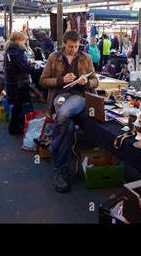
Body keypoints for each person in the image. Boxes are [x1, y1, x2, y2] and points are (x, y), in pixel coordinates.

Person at [40, 31, 98, 193]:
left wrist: (86, 82)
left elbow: (96, 81)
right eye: (71, 46)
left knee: (64, 114)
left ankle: (53, 147)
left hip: (79, 96)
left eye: (76, 46)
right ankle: (61, 170)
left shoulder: (85, 57)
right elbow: (42, 81)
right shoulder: (54, 57)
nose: (74, 49)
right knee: (69, 127)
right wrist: (61, 80)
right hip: (59, 96)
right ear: (64, 44)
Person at [3, 32, 41, 135]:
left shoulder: (10, 51)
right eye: (24, 40)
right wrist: (37, 70)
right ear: (18, 40)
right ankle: (15, 127)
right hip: (18, 83)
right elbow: (24, 67)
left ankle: (16, 126)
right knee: (19, 105)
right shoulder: (16, 52)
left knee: (18, 105)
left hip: (13, 82)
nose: (25, 43)